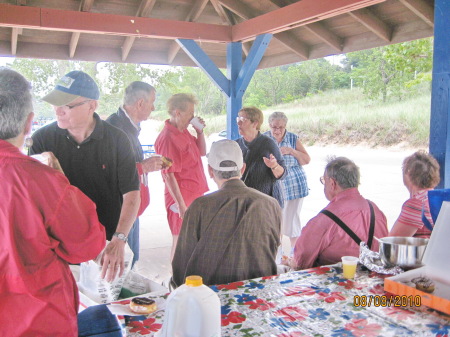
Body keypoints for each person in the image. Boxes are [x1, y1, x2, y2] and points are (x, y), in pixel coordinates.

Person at [0, 67, 106, 336]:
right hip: (36, 320)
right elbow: (86, 244)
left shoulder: (115, 138)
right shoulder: (41, 180)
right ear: (28, 123)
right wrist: (62, 183)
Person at [30, 70, 140, 282]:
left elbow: (132, 194)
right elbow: (34, 202)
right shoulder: (41, 139)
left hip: (105, 246)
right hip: (59, 246)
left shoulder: (117, 140)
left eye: (67, 105)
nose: (58, 111)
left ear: (92, 105)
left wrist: (119, 239)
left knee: (104, 308)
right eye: (55, 103)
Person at [172, 140, 282, 286]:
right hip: (258, 294)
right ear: (242, 169)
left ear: (210, 171)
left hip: (210, 298)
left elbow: (181, 263)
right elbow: (272, 249)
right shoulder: (271, 204)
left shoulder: (199, 206)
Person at [291, 156, 388, 270]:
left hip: (336, 284)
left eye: (324, 180)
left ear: (332, 183)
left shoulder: (325, 219)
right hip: (371, 281)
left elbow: (301, 261)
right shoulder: (375, 210)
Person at [106, 81, 163, 266]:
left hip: (132, 207)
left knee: (131, 261)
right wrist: (142, 167)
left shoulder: (129, 127)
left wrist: (144, 166)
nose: (154, 107)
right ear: (140, 103)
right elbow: (106, 170)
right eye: (152, 102)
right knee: (124, 265)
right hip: (120, 211)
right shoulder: (114, 129)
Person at [154, 93, 209, 260]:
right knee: (180, 240)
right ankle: (175, 281)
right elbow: (168, 175)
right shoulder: (168, 138)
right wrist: (181, 205)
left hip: (194, 193)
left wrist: (199, 132)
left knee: (193, 240)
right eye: (190, 113)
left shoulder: (183, 131)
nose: (193, 117)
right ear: (177, 112)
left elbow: (202, 152)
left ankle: (188, 278)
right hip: (180, 198)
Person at [265, 111, 310, 255]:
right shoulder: (264, 139)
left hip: (295, 186)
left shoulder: (292, 138)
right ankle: (276, 253)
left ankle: (293, 253)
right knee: (274, 220)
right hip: (274, 187)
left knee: (292, 220)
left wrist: (292, 151)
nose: (277, 131)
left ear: (285, 126)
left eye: (281, 127)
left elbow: (306, 160)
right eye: (274, 127)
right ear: (269, 126)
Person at [235, 106, 287, 207]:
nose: (238, 123)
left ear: (255, 123)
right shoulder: (236, 145)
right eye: (238, 119)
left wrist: (274, 166)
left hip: (265, 204)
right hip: (243, 202)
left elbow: (284, 174)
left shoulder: (268, 144)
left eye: (243, 120)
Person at [389, 151, 440, 238]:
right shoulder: (438, 199)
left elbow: (393, 241)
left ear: (408, 173)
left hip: (425, 251)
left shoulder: (416, 204)